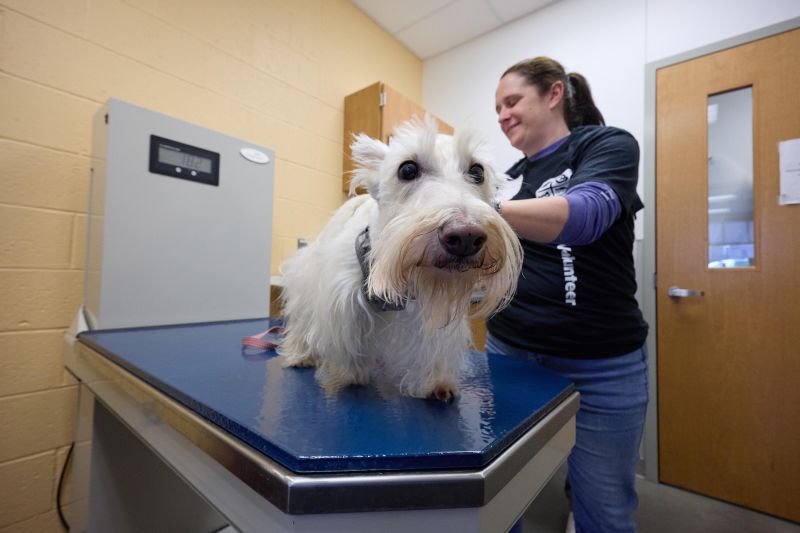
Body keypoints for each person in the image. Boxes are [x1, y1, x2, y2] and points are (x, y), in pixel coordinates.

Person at [491, 57, 649, 533]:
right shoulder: (503, 179)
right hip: (511, 355)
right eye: (497, 108)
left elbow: (586, 217)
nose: (502, 115)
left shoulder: (606, 145)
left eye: (512, 100)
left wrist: (476, 208)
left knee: (602, 506)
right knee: (500, 498)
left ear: (554, 94)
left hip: (602, 366)